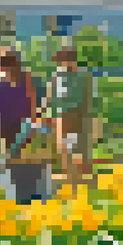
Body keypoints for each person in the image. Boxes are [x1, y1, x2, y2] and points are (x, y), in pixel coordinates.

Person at [46, 46, 94, 183]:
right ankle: (69, 175)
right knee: (65, 145)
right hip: (63, 115)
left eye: (69, 60)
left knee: (82, 145)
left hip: (80, 114)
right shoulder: (57, 76)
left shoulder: (83, 75)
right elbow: (52, 97)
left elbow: (89, 95)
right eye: (64, 60)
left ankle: (84, 177)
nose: (66, 63)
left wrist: (88, 115)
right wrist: (52, 115)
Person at [0, 47, 38, 157]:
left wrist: (32, 118)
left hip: (21, 120)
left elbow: (32, 97)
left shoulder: (25, 77)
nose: (5, 67)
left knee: (23, 149)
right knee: (10, 150)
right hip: (6, 120)